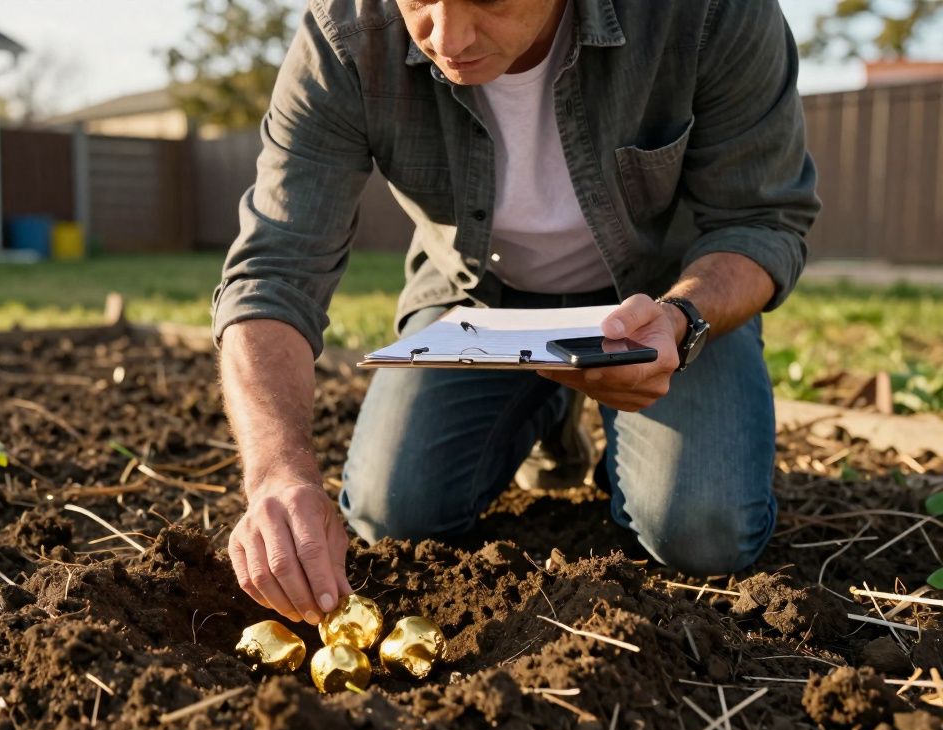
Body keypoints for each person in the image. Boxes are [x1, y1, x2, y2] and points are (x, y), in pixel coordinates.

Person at [211, 0, 820, 626]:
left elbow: (761, 221)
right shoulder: (345, 34)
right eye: (418, 0)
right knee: (393, 515)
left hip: (664, 298)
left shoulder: (709, 12)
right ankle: (548, 406)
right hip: (477, 293)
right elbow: (273, 271)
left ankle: (595, 416)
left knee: (701, 532)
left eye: (489, 0)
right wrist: (277, 473)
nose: (447, 39)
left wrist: (681, 319)